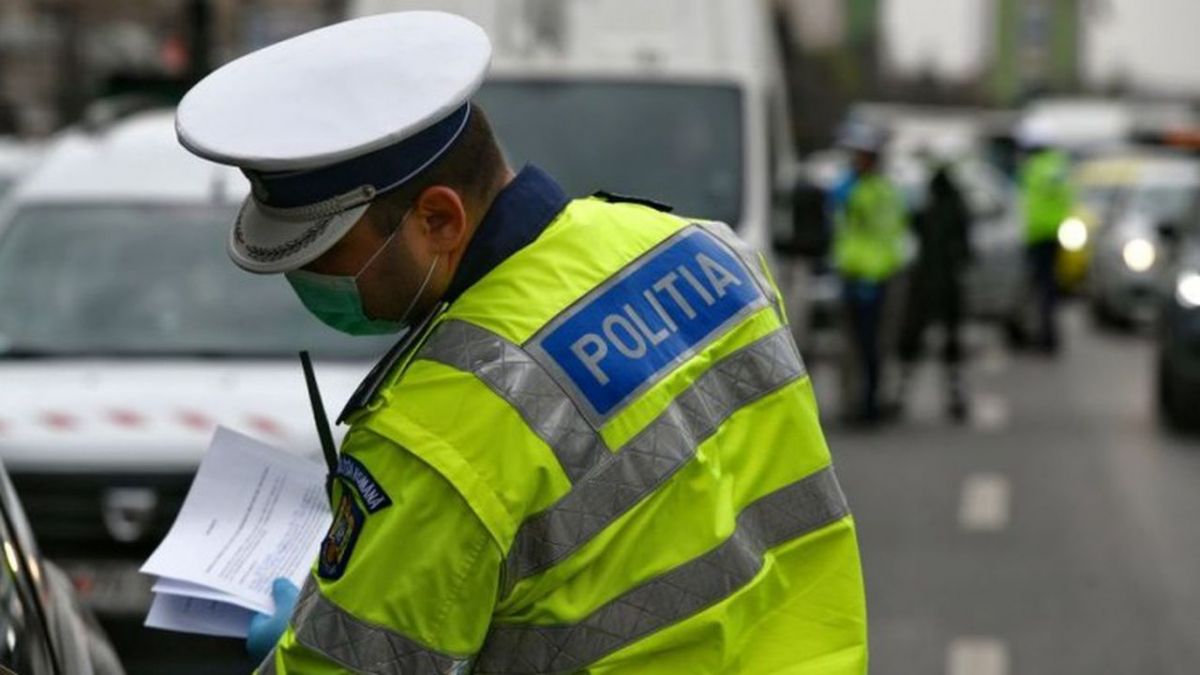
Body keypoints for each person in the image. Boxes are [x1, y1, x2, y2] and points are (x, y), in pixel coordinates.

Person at [176, 12, 867, 674]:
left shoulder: (437, 433)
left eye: (324, 253)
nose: (304, 279)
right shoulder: (708, 250)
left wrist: (300, 638)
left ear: (438, 219)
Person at [833, 125, 908, 424]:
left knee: (865, 346)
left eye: (859, 156)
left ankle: (866, 403)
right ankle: (867, 401)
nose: (855, 161)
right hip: (869, 272)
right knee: (867, 345)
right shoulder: (886, 190)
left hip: (868, 276)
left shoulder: (863, 191)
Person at [897, 157, 972, 422]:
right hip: (949, 284)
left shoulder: (926, 213)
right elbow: (966, 252)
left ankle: (901, 394)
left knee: (912, 341)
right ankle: (955, 396)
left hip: (924, 283)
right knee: (951, 344)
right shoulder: (958, 211)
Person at [1018, 124, 1074, 353]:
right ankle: (1046, 333)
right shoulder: (1058, 165)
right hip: (1052, 234)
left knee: (1041, 287)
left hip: (1040, 235)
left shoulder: (1038, 167)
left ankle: (1045, 336)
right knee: (1047, 286)